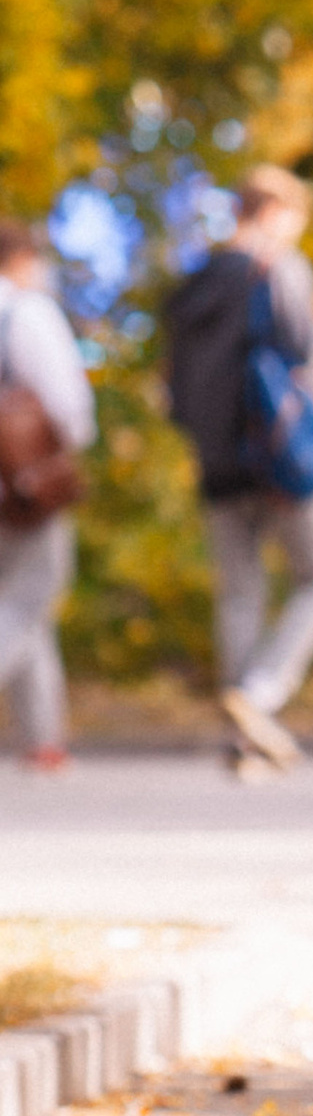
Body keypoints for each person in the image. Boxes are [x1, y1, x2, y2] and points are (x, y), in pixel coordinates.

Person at [163, 162, 313, 773]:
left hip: (216, 462)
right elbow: (305, 352)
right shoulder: (277, 269)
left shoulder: (198, 283)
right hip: (280, 458)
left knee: (239, 595)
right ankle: (261, 692)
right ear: (273, 212)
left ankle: (246, 736)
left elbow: (176, 390)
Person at [0, 219, 95, 775]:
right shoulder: (25, 312)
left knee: (22, 603)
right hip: (22, 482)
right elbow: (66, 403)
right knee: (31, 593)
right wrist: (71, 446)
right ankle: (44, 740)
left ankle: (44, 740)